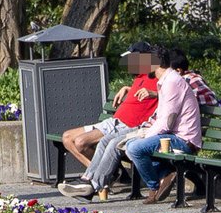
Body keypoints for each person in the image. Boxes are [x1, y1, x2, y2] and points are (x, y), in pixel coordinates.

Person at [57, 43, 160, 199]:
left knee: (80, 142)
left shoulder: (159, 77)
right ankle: (102, 176)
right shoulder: (141, 76)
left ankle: (93, 180)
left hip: (126, 125)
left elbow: (173, 90)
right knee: (67, 138)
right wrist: (127, 88)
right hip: (114, 120)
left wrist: (154, 93)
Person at [126, 48, 203, 204]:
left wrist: (145, 137)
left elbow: (167, 121)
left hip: (183, 139)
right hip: (172, 136)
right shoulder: (166, 81)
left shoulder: (172, 82)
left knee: (135, 148)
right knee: (130, 145)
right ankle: (165, 175)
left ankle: (154, 187)